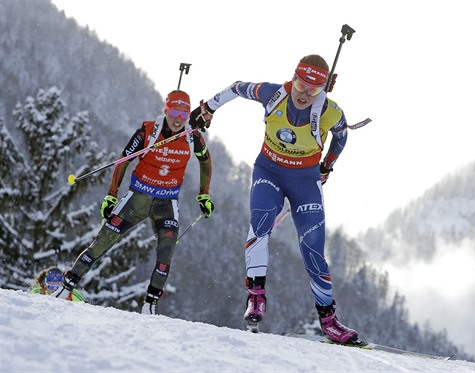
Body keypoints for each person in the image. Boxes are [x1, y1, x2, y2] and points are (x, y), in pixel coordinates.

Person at [189, 55, 362, 345]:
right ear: (292, 78)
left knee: (313, 248)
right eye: (300, 84)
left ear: (323, 89)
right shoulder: (271, 94)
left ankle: (329, 322)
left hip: (306, 182)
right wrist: (208, 108)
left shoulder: (331, 112)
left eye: (313, 89)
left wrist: (327, 165)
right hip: (268, 170)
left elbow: (342, 137)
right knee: (260, 223)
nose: (304, 93)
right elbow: (236, 87)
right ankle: (256, 297)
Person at [53, 90, 214, 315]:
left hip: (166, 203)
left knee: (165, 253)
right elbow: (123, 161)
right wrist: (111, 195)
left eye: (184, 113)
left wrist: (203, 194)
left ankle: (149, 306)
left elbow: (206, 163)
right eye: (174, 111)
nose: (178, 118)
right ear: (166, 110)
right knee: (102, 241)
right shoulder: (147, 131)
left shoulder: (193, 136)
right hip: (137, 198)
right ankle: (65, 288)